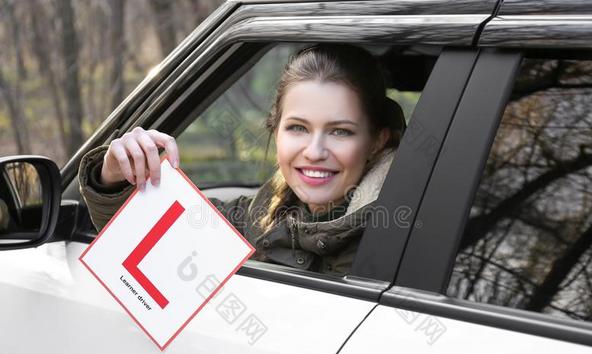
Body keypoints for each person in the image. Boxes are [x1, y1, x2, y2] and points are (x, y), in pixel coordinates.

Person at [78, 43, 406, 276]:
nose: (315, 151)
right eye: (298, 128)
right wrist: (114, 177)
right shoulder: (257, 216)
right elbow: (145, 240)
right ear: (275, 131)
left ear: (378, 141)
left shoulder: (399, 238)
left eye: (340, 132)